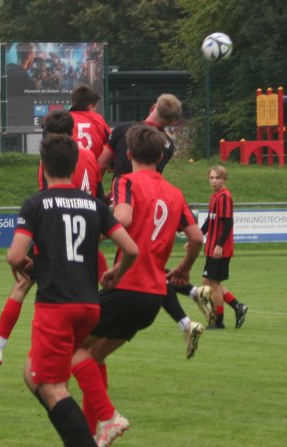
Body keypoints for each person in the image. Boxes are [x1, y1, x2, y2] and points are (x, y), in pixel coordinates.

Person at [8, 132, 138, 447]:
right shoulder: (94, 205)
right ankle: (92, 424)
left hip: (55, 305)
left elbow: (14, 255)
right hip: (90, 305)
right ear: (76, 165)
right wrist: (116, 272)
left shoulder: (36, 203)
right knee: (33, 370)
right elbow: (131, 249)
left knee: (50, 386)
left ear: (43, 166)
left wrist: (22, 262)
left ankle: (100, 424)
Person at [79, 124, 203, 438]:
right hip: (153, 298)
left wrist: (89, 237)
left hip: (126, 287)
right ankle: (94, 434)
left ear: (129, 153)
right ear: (161, 156)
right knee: (95, 357)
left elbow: (123, 218)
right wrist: (185, 267)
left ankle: (107, 417)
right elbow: (196, 237)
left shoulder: (126, 182)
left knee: (68, 347)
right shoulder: (175, 193)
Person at [0, 109, 106, 367]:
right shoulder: (91, 157)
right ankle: (91, 355)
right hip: (85, 236)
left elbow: (48, 203)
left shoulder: (50, 162)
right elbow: (99, 197)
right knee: (94, 294)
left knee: (24, 286)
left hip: (56, 237)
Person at [100, 93, 213, 358]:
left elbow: (100, 163)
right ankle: (190, 302)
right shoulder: (168, 148)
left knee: (74, 345)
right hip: (156, 205)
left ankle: (189, 305)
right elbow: (197, 237)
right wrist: (185, 268)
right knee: (151, 266)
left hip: (131, 207)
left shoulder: (123, 134)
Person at [201, 165, 248, 329]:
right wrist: (197, 236)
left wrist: (219, 245)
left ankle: (218, 321)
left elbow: (228, 223)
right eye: (211, 178)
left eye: (217, 178)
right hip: (211, 248)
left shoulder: (224, 197)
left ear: (224, 179)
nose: (214, 181)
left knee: (213, 284)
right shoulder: (214, 197)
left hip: (220, 249)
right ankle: (237, 306)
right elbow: (210, 220)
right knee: (207, 282)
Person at [69, 85, 111, 161]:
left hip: (67, 165)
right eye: (95, 107)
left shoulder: (64, 118)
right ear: (90, 106)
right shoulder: (98, 119)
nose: (96, 111)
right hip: (92, 164)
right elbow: (112, 141)